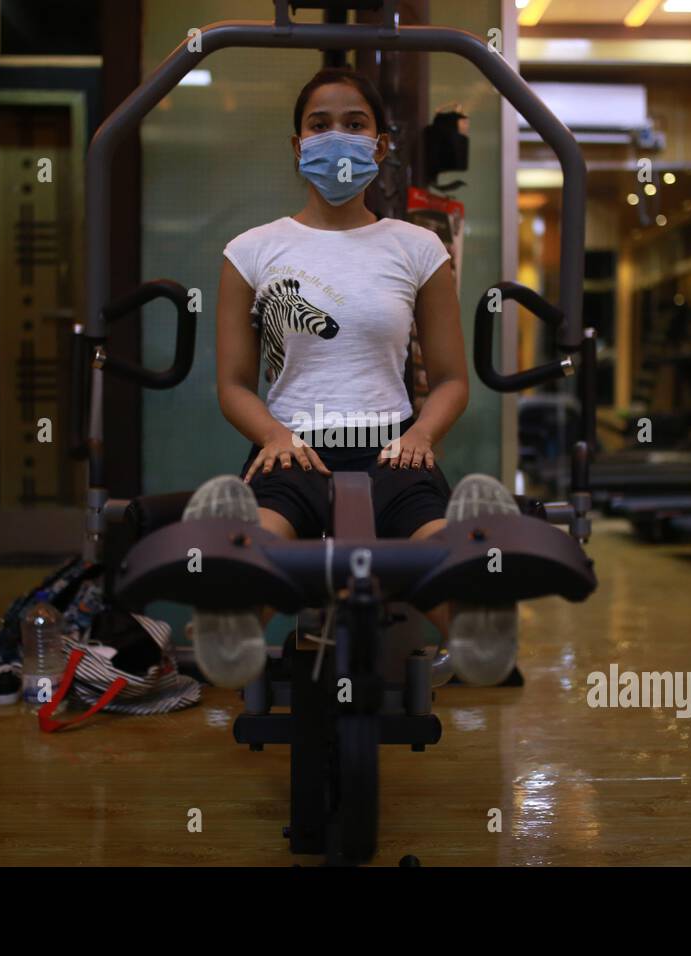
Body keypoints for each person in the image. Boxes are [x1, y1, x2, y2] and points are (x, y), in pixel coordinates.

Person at [184, 68, 519, 689]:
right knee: (264, 554)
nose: (337, 136)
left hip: (393, 451)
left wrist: (422, 435)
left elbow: (450, 379)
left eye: (354, 124)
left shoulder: (418, 248)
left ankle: (478, 617)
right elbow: (233, 384)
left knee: (431, 557)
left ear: (380, 145)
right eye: (320, 125)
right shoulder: (250, 251)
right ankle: (226, 614)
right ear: (297, 146)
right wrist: (276, 439)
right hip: (291, 452)